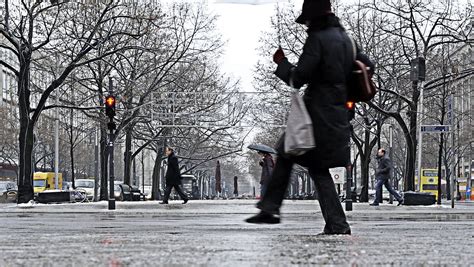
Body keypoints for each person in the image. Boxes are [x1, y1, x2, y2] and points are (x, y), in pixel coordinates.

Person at [246, 0, 358, 235]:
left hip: (317, 115)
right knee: (318, 169)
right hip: (338, 116)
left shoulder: (317, 39)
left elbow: (298, 78)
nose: (305, 24)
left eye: (307, 20)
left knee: (285, 150)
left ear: (314, 18)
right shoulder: (347, 40)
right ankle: (337, 224)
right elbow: (365, 66)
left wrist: (282, 63)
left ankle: (270, 208)